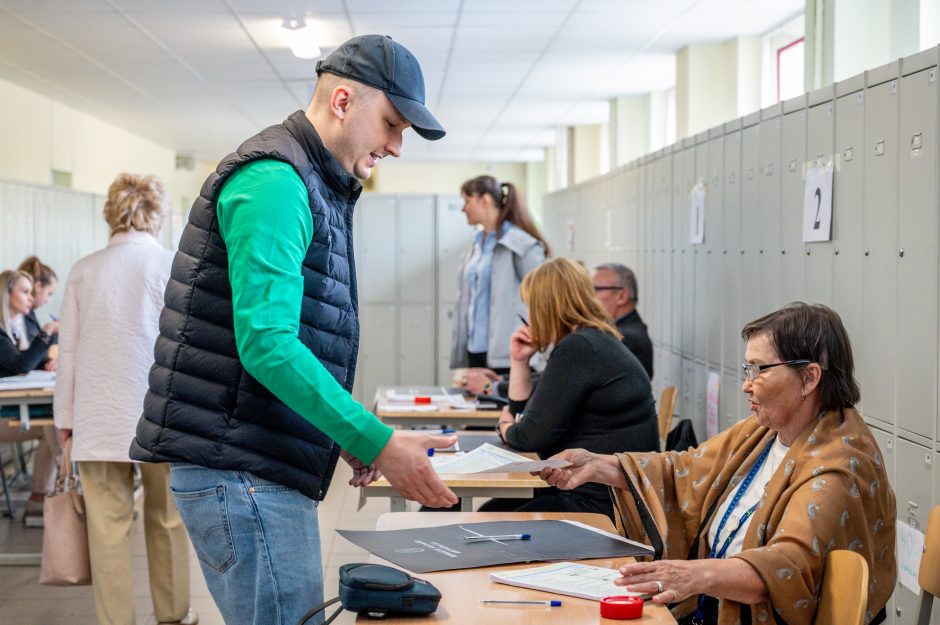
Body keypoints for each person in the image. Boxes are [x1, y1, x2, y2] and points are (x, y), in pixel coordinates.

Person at [129, 35, 457, 625]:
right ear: (340, 101)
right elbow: (269, 345)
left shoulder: (311, 180)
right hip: (241, 473)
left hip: (251, 462)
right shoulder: (277, 182)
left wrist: (346, 436)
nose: (396, 145)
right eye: (391, 124)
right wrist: (374, 438)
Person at [539, 303, 896, 625]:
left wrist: (693, 576)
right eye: (747, 368)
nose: (746, 384)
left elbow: (788, 565)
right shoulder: (766, 432)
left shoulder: (838, 467)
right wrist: (598, 467)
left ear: (809, 378)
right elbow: (687, 471)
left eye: (759, 370)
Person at [54, 174, 196, 625]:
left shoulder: (83, 270)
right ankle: (172, 615)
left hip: (97, 414)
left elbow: (69, 354)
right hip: (161, 413)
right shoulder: (172, 264)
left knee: (107, 530)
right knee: (168, 519)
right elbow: (185, 347)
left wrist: (65, 421)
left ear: (111, 213)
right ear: (156, 214)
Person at [480, 257, 659, 519]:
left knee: (485, 522)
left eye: (531, 306)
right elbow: (524, 411)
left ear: (546, 307)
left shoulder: (579, 348)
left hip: (599, 503)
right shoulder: (593, 340)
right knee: (488, 513)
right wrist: (519, 362)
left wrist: (504, 426)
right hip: (592, 492)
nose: (529, 317)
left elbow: (528, 436)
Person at [450, 175, 549, 380]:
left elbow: (543, 300)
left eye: (467, 201)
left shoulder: (521, 245)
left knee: (505, 408)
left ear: (484, 200)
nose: (463, 209)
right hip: (475, 349)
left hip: (508, 353)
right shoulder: (476, 245)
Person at [0, 269, 60, 519]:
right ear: (6, 295)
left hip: (10, 411)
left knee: (54, 424)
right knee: (53, 424)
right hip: (4, 418)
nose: (31, 298)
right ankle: (64, 489)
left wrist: (46, 360)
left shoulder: (15, 329)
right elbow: (18, 366)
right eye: (24, 292)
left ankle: (42, 496)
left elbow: (23, 362)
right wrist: (45, 333)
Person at [591, 263, 653, 379]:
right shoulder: (622, 330)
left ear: (622, 296)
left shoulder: (626, 339)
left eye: (595, 289)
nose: (589, 297)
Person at [17, 256, 58, 372]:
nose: (47, 301)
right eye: (49, 293)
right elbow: (27, 358)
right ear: (38, 286)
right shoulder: (19, 317)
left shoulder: (29, 314)